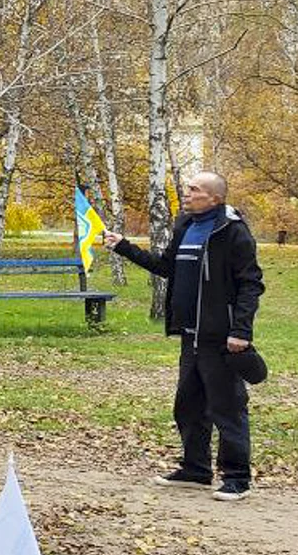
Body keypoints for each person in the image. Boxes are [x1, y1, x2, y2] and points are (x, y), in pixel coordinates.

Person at [108, 170, 266, 502]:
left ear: (215, 198)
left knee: (228, 407)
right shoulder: (186, 226)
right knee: (189, 405)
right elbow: (166, 267)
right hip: (189, 335)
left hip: (221, 338)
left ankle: (237, 478)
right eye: (188, 189)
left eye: (194, 190)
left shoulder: (233, 232)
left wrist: (240, 331)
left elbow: (250, 284)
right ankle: (196, 470)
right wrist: (123, 246)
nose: (187, 194)